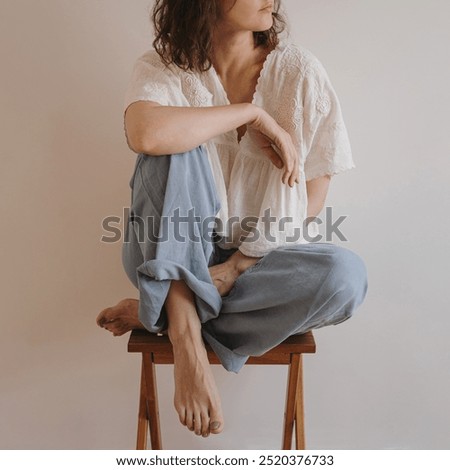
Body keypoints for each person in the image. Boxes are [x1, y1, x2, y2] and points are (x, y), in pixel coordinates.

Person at [96, 0, 368, 439]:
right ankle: (185, 337)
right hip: (166, 250)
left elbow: (311, 199)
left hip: (256, 264)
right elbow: (146, 133)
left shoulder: (299, 73)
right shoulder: (163, 68)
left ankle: (160, 313)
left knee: (346, 278)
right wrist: (253, 115)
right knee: (173, 143)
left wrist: (238, 264)